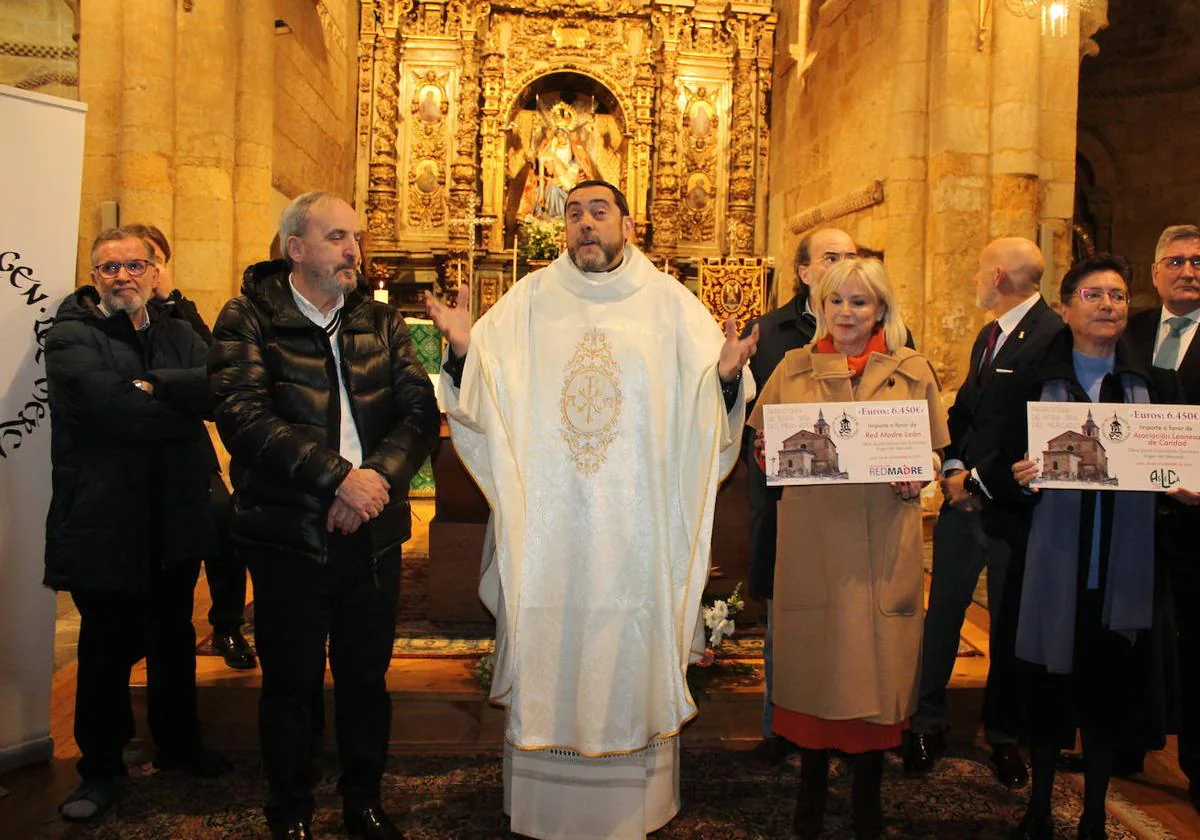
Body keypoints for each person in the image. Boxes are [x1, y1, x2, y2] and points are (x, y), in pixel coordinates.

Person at [424, 179, 757, 840]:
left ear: (627, 225)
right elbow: (480, 399)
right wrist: (463, 351)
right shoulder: (526, 303)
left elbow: (709, 411)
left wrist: (722, 379)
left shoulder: (669, 305)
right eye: (573, 213)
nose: (583, 224)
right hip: (551, 525)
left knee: (628, 639)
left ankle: (632, 807)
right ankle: (546, 804)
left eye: (598, 212)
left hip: (636, 527)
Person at [209, 192, 439, 840]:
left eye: (357, 239)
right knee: (292, 686)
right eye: (338, 237)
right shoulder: (247, 317)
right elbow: (243, 416)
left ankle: (363, 802)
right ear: (295, 249)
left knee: (366, 680)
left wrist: (375, 485)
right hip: (290, 535)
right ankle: (291, 813)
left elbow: (418, 413)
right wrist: (340, 480)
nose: (353, 252)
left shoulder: (382, 321)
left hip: (372, 535)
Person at [748, 258, 949, 840]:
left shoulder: (912, 369)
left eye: (859, 303)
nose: (846, 314)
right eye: (836, 302)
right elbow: (765, 444)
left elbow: (934, 452)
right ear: (820, 307)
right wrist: (767, 453)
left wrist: (924, 473)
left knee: (877, 664)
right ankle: (809, 786)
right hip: (815, 540)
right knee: (817, 663)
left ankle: (868, 792)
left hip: (884, 540)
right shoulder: (792, 366)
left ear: (881, 308)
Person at [1000, 253, 1199, 839]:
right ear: (1066, 308)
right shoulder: (1034, 379)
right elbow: (995, 455)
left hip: (1122, 570)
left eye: (1117, 295)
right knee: (1047, 692)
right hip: (1052, 566)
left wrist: (1180, 489)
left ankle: (1092, 815)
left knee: (1109, 695)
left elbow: (1170, 464)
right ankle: (1037, 807)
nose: (1108, 305)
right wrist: (1017, 475)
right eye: (1093, 295)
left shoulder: (1152, 386)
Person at [44, 228, 230, 823]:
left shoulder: (177, 332)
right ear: (94, 276)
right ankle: (99, 770)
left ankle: (178, 745)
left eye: (134, 265)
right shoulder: (72, 333)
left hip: (173, 514)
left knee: (174, 637)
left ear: (156, 272)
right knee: (105, 648)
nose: (122, 276)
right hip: (105, 516)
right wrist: (175, 409)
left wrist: (158, 389)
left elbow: (219, 389)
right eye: (108, 267)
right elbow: (111, 410)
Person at [907, 238, 1063, 784]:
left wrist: (975, 479)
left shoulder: (1051, 336)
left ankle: (1002, 736)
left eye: (977, 269)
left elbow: (1034, 428)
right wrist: (951, 466)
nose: (974, 279)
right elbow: (967, 411)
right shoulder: (989, 334)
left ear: (998, 275)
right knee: (942, 616)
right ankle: (926, 722)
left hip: (1011, 510)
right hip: (961, 506)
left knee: (1008, 625)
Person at [737, 227, 857, 770]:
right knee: (786, 619)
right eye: (832, 257)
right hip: (787, 503)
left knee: (849, 617)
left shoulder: (883, 332)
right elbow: (743, 418)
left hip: (854, 511)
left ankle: (850, 727)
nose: (844, 265)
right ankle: (779, 727)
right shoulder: (768, 332)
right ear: (805, 272)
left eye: (852, 257)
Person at [124, 223, 256, 671]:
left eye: (153, 264)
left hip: (189, 454)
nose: (147, 273)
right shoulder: (113, 318)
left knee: (225, 526)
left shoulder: (181, 313)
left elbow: (213, 374)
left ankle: (227, 626)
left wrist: (157, 384)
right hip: (134, 460)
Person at [1126, 224, 1200, 810]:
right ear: (1155, 273)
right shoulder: (1135, 330)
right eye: (1174, 261)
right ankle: (1125, 743)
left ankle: (1197, 767)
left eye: (1198, 261)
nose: (1187, 270)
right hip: (1135, 511)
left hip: (1198, 517)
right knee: (1131, 629)